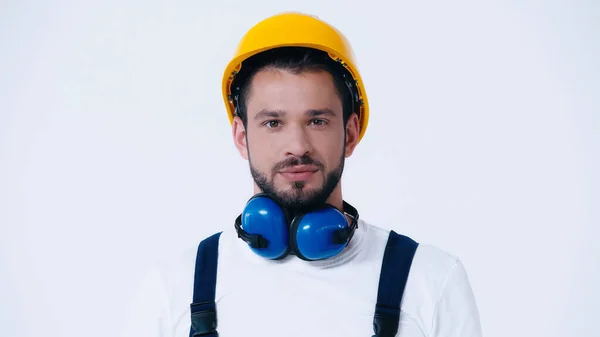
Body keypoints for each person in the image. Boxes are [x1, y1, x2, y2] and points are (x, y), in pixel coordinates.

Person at [121, 12, 483, 337]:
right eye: (273, 122)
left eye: (317, 120)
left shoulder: (431, 280)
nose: (297, 145)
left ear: (351, 133)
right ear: (242, 137)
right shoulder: (175, 290)